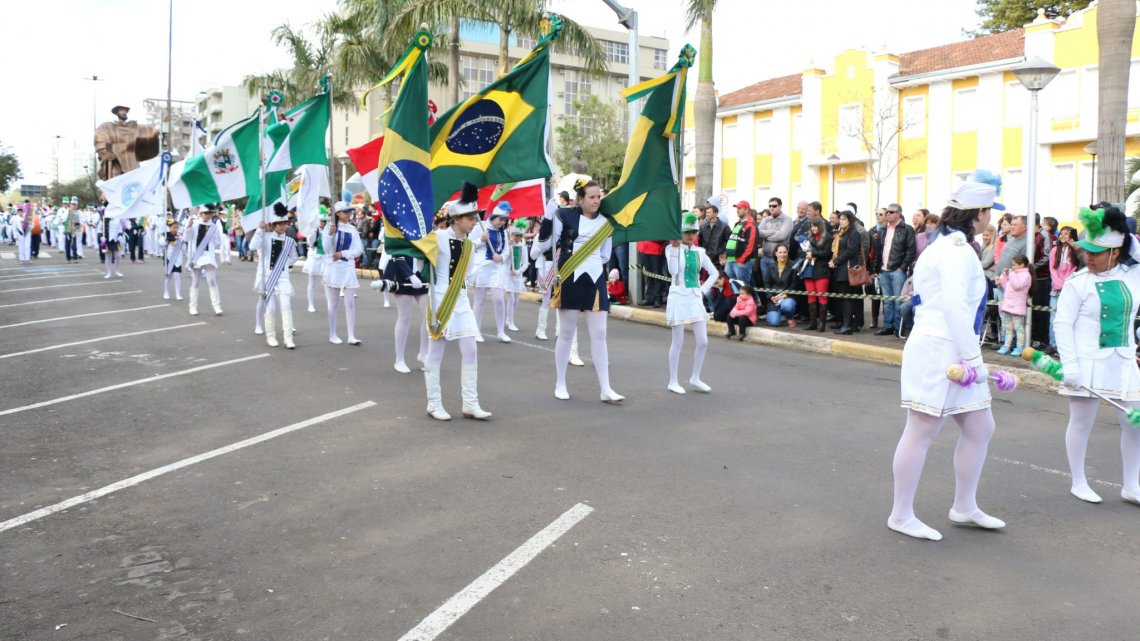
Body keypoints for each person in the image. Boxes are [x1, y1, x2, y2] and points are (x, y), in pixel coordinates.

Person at [888, 180, 1003, 542]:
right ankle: (901, 514)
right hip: (940, 348)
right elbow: (954, 307)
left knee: (980, 427)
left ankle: (965, 506)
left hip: (952, 346)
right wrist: (974, 360)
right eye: (988, 213)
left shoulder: (951, 246)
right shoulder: (955, 251)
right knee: (922, 429)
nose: (989, 219)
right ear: (980, 214)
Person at [1053, 204, 1140, 506]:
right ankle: (1079, 480)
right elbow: (1062, 324)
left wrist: (1128, 239)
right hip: (1087, 361)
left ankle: (1132, 485)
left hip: (1125, 361)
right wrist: (1070, 365)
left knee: (1134, 423)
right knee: (1081, 422)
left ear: (1115, 252)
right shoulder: (1078, 282)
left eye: (1096, 252)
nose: (1088, 257)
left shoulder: (1133, 276)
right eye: (1086, 251)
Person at [532, 178, 624, 403]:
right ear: (580, 199)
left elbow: (604, 255)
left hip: (595, 280)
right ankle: (560, 383)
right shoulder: (564, 216)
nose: (596, 201)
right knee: (566, 332)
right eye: (591, 197)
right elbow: (542, 245)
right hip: (570, 276)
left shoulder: (605, 222)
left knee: (600, 334)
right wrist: (547, 218)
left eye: (598, 196)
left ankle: (606, 388)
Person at [423, 182, 491, 421]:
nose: (474, 222)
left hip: (460, 300)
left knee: (470, 349)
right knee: (436, 351)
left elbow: (467, 275)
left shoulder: (470, 245)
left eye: (474, 218)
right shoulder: (437, 237)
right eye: (471, 218)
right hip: (441, 299)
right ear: (457, 219)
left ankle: (470, 403)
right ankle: (433, 403)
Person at [664, 212, 718, 394]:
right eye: (687, 232)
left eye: (693, 232)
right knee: (677, 341)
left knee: (703, 341)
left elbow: (714, 273)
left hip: (694, 299)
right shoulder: (670, 249)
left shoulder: (700, 252)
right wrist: (674, 247)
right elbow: (672, 271)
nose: (690, 235)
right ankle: (673, 381)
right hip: (678, 297)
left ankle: (695, 377)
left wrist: (702, 290)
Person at [870, 203, 917, 337]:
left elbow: (910, 250)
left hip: (898, 270)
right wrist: (876, 268)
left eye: (890, 212)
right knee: (887, 300)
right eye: (887, 212)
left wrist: (902, 268)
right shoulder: (883, 229)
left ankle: (898, 327)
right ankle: (887, 326)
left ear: (898, 214)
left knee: (898, 300)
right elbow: (879, 251)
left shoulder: (907, 229)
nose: (887, 215)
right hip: (884, 270)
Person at [322, 201, 363, 345]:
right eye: (345, 211)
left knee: (350, 303)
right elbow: (326, 249)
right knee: (333, 303)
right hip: (333, 268)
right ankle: (332, 334)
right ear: (338, 214)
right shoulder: (329, 227)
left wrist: (343, 253)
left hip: (348, 268)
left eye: (349, 211)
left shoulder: (352, 229)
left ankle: (351, 335)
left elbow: (359, 250)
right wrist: (329, 234)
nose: (348, 214)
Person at [470, 202, 512, 342]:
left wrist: (501, 257)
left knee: (499, 299)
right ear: (493, 216)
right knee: (480, 300)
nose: (502, 222)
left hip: (496, 268)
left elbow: (506, 250)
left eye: (505, 219)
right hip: (481, 267)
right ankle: (476, 331)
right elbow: (469, 246)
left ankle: (501, 331)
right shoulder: (479, 227)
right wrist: (481, 240)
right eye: (500, 219)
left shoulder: (504, 231)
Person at [258, 209, 299, 349]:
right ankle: (270, 336)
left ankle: (288, 338)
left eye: (284, 223)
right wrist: (260, 230)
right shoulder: (266, 237)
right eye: (279, 223)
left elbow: (294, 257)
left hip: (283, 278)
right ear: (273, 225)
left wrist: (283, 265)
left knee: (286, 306)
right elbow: (252, 246)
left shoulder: (289, 241)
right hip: (269, 278)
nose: (283, 226)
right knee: (270, 308)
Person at [827, 211, 863, 335]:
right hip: (840, 269)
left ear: (850, 220)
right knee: (842, 298)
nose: (841, 221)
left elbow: (850, 251)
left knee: (847, 298)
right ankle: (844, 322)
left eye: (843, 219)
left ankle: (847, 325)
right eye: (840, 219)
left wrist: (836, 261)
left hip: (847, 269)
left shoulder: (854, 233)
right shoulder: (841, 233)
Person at [186, 204, 224, 316]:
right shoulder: (194, 224)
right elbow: (187, 238)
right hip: (197, 256)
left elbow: (218, 242)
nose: (208, 216)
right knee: (196, 281)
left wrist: (211, 242)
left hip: (208, 256)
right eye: (206, 213)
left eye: (209, 213)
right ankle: (192, 307)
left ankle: (217, 306)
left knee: (212, 280)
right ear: (201, 214)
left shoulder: (214, 227)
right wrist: (188, 227)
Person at [1048, 226, 1080, 350]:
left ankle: (1064, 346)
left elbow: (1075, 268)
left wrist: (1065, 282)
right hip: (1055, 288)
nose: (1062, 236)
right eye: (1061, 233)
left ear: (1072, 236)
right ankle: (1053, 344)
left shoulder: (1075, 251)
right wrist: (1057, 282)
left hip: (1068, 288)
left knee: (1066, 319)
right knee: (1053, 319)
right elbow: (1052, 268)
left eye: (1066, 234)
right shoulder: (1054, 250)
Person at [995, 254, 1031, 355]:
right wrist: (1003, 276)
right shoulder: (1014, 274)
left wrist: (1010, 274)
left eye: (1014, 265)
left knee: (1018, 329)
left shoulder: (1026, 276)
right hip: (1007, 305)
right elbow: (1006, 286)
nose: (1012, 267)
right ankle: (1006, 346)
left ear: (1022, 265)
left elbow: (1017, 286)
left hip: (1017, 307)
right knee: (1008, 328)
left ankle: (1019, 347)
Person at [801, 216, 832, 332]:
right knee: (811, 297)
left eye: (815, 226)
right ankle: (812, 322)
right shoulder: (808, 238)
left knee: (822, 297)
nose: (813, 228)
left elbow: (826, 253)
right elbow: (801, 251)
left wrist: (813, 253)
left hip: (821, 270)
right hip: (809, 270)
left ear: (820, 226)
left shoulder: (828, 237)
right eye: (812, 226)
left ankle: (822, 324)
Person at [721, 201, 757, 286]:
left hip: (741, 261)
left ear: (746, 210)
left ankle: (755, 299)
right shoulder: (738, 223)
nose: (737, 210)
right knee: (731, 287)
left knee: (743, 287)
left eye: (740, 208)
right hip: (731, 260)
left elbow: (750, 246)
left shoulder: (751, 225)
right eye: (737, 208)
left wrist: (742, 260)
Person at [762, 244, 797, 327]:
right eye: (780, 252)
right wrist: (771, 297)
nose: (782, 254)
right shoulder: (770, 266)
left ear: (788, 253)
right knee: (774, 323)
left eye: (785, 252)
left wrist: (784, 296)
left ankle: (789, 317)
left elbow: (794, 284)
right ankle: (779, 315)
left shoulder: (794, 265)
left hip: (787, 296)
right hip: (774, 299)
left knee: (787, 306)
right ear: (776, 253)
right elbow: (767, 283)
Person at [756, 197, 793, 276]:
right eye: (770, 206)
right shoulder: (766, 219)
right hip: (765, 257)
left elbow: (781, 236)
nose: (771, 208)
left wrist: (766, 235)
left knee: (778, 284)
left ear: (780, 206)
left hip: (779, 259)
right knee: (766, 284)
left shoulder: (787, 219)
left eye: (774, 206)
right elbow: (758, 233)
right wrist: (773, 232)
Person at [504, 219, 530, 331]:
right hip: (508, 275)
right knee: (511, 299)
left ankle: (509, 318)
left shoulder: (523, 248)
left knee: (516, 300)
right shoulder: (507, 245)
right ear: (512, 234)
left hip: (517, 276)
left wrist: (518, 271)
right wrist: (507, 248)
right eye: (516, 235)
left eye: (520, 236)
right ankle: (510, 322)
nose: (518, 238)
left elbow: (526, 263)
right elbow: (503, 260)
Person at [303, 207, 329, 313]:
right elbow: (310, 241)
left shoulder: (328, 230)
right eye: (322, 221)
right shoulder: (314, 230)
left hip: (325, 259)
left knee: (327, 282)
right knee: (312, 282)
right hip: (315, 258)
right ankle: (311, 304)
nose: (323, 223)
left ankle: (330, 304)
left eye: (324, 221)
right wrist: (313, 230)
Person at [698, 204, 730, 273]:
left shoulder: (724, 227)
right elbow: (700, 241)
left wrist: (721, 252)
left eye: (709, 212)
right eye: (706, 212)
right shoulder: (703, 226)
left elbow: (728, 242)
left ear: (715, 213)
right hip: (705, 258)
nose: (707, 214)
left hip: (718, 260)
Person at [637, 238, 668, 307]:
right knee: (648, 277)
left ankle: (658, 299)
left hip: (655, 250)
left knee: (657, 276)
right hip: (643, 250)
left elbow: (662, 237)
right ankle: (649, 298)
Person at [162, 216, 184, 301]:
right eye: (173, 227)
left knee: (177, 275)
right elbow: (161, 243)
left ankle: (178, 294)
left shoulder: (179, 235)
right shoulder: (165, 235)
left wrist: (181, 240)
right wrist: (168, 240)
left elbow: (184, 248)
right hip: (168, 258)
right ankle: (166, 292)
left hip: (177, 258)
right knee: (168, 276)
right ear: (169, 227)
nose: (175, 229)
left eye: (177, 227)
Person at [101, 212, 125, 280]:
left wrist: (120, 235)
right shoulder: (104, 219)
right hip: (107, 240)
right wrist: (101, 237)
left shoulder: (118, 219)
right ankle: (108, 273)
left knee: (118, 256)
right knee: (108, 256)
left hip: (115, 240)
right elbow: (99, 230)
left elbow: (120, 229)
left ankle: (117, 271)